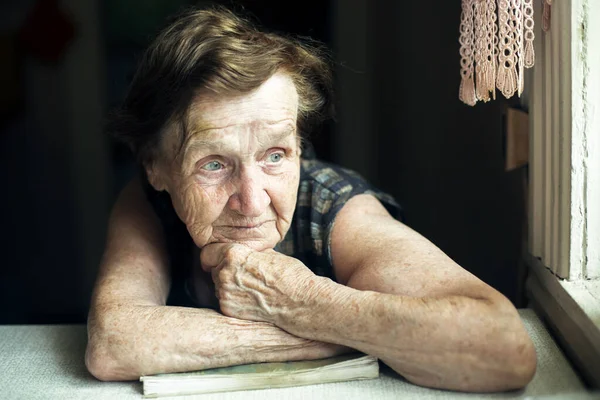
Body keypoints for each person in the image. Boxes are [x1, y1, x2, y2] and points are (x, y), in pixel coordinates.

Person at [85, 6, 536, 392]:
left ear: (300, 146)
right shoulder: (147, 202)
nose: (252, 200)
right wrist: (343, 335)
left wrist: (297, 300)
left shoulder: (335, 206)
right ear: (155, 167)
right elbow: (113, 343)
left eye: (275, 155)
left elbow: (504, 347)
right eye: (214, 165)